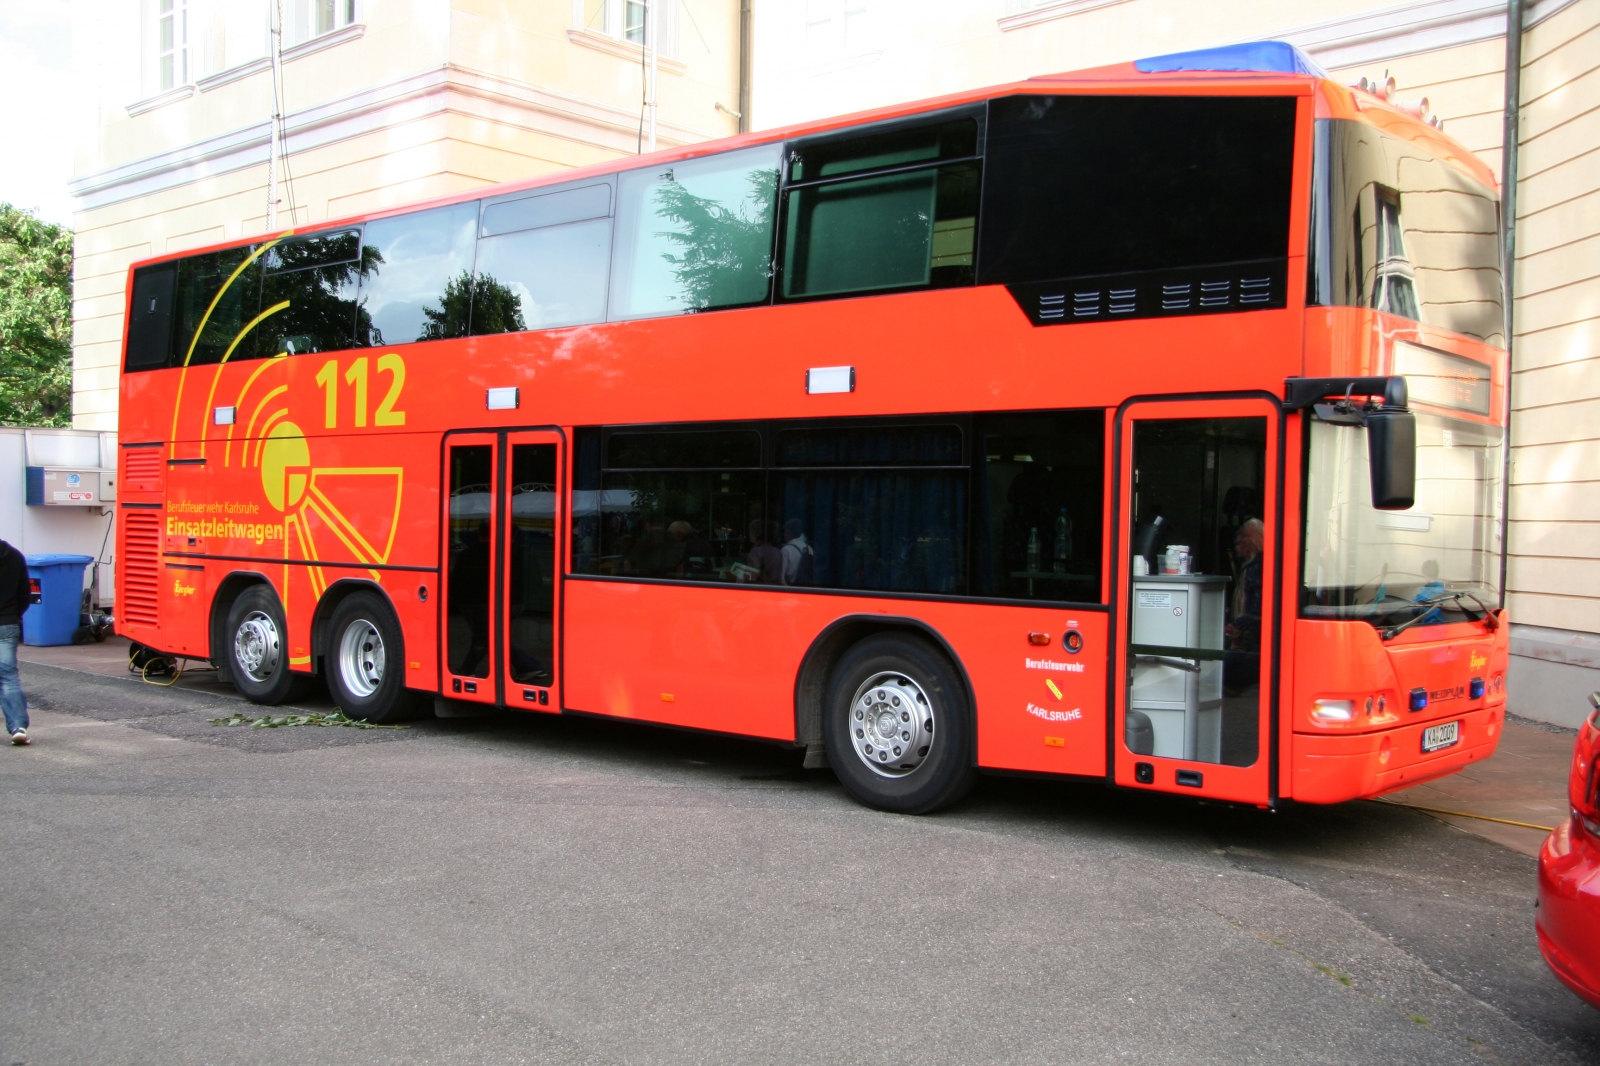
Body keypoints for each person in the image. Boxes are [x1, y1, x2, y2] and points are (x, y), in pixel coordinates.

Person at [1223, 518, 1264, 697]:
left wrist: (1238, 624)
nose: (1241, 544)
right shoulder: (1251, 565)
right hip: (1247, 633)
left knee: (1241, 668)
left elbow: (1259, 605)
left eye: (1246, 538)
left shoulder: (1259, 565)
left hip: (1251, 633)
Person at [0, 539, 32, 745]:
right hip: (7, 623)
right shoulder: (15, 556)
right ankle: (18, 726)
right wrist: (13, 616)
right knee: (8, 676)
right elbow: (25, 595)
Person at [745, 519, 784, 585]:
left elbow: (751, 576)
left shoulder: (756, 552)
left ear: (755, 533)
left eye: (750, 531)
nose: (749, 534)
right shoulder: (778, 552)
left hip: (758, 589)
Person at [780, 519, 815, 586]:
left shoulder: (786, 550)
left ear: (788, 532)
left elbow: (781, 578)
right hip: (806, 589)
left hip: (791, 589)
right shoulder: (808, 548)